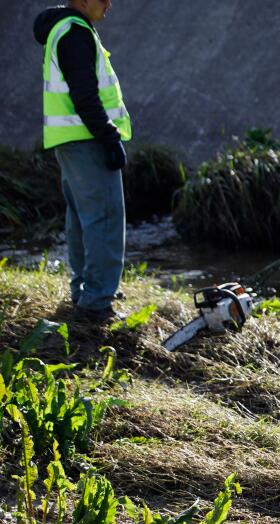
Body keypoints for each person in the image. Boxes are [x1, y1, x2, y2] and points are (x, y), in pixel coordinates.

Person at [34, 0, 132, 323]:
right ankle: (96, 303)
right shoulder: (75, 33)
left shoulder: (65, 28)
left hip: (70, 142)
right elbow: (86, 97)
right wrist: (109, 137)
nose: (109, 4)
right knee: (104, 218)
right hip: (88, 140)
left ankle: (85, 292)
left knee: (81, 219)